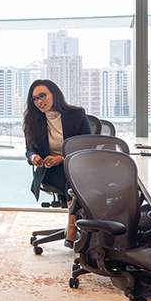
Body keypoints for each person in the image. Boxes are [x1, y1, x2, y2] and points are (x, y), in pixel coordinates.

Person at [23, 79, 91, 246]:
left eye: (42, 96)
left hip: (77, 166)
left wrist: (62, 158)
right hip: (49, 171)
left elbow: (87, 145)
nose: (39, 101)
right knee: (73, 178)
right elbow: (29, 150)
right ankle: (73, 226)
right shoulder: (32, 120)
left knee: (73, 173)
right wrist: (33, 157)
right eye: (35, 99)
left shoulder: (76, 115)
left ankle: (72, 225)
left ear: (55, 94)